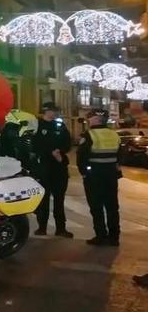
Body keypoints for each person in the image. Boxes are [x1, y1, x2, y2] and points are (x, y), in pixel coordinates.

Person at [77, 108, 122, 247]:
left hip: (94, 177)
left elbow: (81, 158)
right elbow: (120, 156)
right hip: (111, 176)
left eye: (90, 119)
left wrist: (85, 173)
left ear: (95, 119)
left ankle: (101, 236)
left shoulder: (89, 135)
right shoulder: (114, 135)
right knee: (112, 207)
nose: (88, 121)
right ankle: (114, 238)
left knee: (96, 207)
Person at [32, 102, 73, 238]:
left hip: (59, 167)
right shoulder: (36, 126)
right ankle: (42, 227)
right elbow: (33, 145)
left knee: (59, 200)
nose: (55, 113)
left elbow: (68, 143)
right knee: (43, 199)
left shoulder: (60, 126)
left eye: (56, 111)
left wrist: (60, 151)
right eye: (53, 111)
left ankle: (61, 229)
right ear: (46, 111)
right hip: (43, 167)